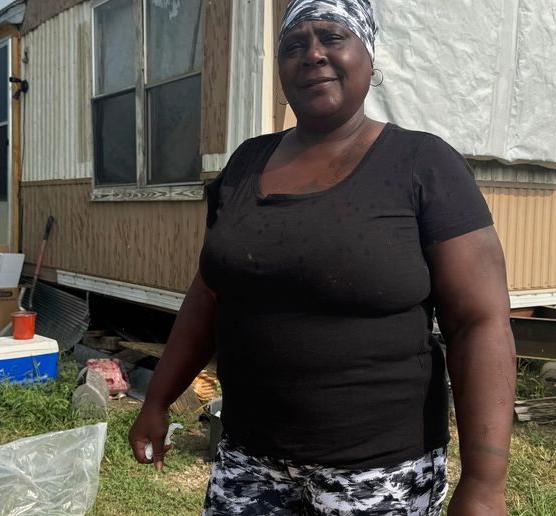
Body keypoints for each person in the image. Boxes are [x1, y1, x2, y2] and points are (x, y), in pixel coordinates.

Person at [128, 0, 516, 514]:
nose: (312, 54)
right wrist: (156, 400)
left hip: (379, 472)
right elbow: (209, 295)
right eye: (294, 44)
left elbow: (480, 322)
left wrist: (485, 482)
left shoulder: (423, 164)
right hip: (249, 460)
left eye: (333, 37)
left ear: (369, 58)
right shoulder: (246, 164)